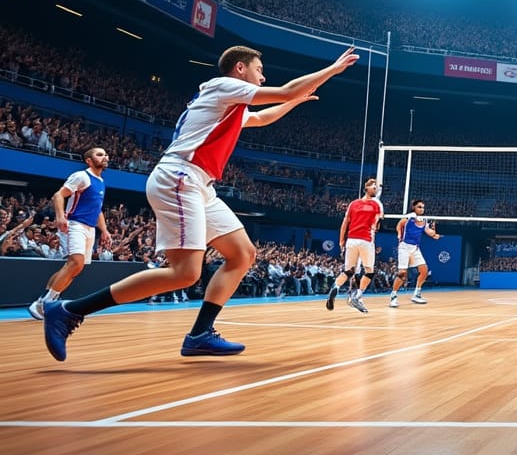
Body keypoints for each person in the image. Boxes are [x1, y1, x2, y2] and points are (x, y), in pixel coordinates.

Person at [42, 45, 359, 361]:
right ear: (239, 69)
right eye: (259, 70)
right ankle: (69, 311)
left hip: (199, 184)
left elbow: (263, 117)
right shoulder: (223, 87)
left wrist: (294, 101)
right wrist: (331, 70)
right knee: (184, 273)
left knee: (243, 254)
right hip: (180, 177)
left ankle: (200, 334)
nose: (263, 76)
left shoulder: (229, 105)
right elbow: (285, 90)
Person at [28, 147, 113, 320]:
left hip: (90, 228)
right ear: (88, 160)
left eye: (106, 154)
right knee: (76, 263)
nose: (105, 157)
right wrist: (60, 216)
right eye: (99, 154)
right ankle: (43, 304)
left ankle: (46, 300)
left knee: (73, 268)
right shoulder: (82, 176)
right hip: (75, 224)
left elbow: (98, 210)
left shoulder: (101, 181)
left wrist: (104, 230)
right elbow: (59, 195)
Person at [325, 177, 384, 313]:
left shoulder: (353, 204)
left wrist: (341, 241)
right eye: (373, 187)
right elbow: (377, 223)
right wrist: (377, 222)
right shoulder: (375, 205)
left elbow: (345, 223)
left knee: (348, 271)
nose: (375, 189)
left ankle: (335, 287)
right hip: (366, 240)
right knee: (369, 271)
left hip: (351, 240)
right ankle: (357, 296)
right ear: (366, 188)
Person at [390, 199, 439, 307]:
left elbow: (429, 232)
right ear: (414, 207)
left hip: (415, 248)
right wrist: (399, 234)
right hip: (404, 247)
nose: (422, 209)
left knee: (424, 270)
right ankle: (393, 296)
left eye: (423, 207)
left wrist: (434, 233)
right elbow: (399, 225)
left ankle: (417, 294)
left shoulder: (424, 220)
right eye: (419, 207)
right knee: (402, 274)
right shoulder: (409, 217)